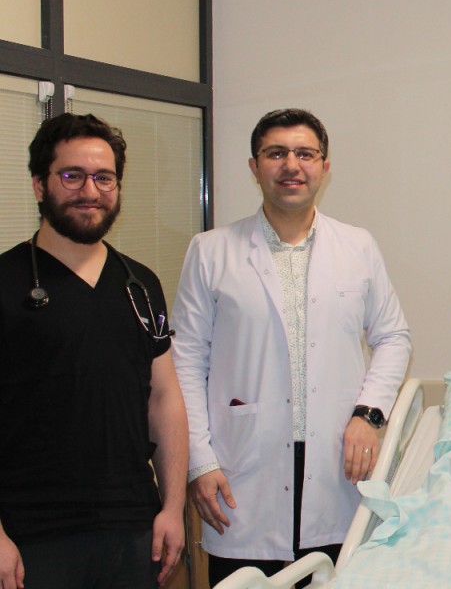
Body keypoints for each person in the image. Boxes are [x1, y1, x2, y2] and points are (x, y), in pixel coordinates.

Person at [172, 108, 412, 585]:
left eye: (305, 154)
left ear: (324, 166)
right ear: (254, 166)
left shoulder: (357, 246)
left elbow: (393, 337)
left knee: (332, 573)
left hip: (335, 460)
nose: (291, 165)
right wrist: (199, 460)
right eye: (276, 153)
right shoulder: (211, 251)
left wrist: (369, 416)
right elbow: (186, 362)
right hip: (243, 462)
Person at [0, 113, 187, 588]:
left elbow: (164, 398)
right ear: (39, 185)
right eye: (72, 176)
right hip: (31, 535)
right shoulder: (5, 282)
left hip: (133, 527)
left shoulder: (140, 284)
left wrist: (172, 507)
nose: (91, 190)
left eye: (104, 178)